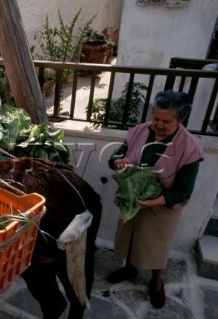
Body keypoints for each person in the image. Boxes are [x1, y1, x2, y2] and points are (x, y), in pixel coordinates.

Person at [106, 90, 204, 309]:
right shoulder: (139, 132)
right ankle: (129, 268)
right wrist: (117, 162)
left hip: (163, 207)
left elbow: (183, 192)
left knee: (155, 247)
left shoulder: (189, 149)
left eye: (166, 121)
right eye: (155, 118)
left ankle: (156, 281)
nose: (158, 124)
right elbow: (116, 156)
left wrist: (152, 202)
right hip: (133, 201)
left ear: (181, 120)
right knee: (129, 238)